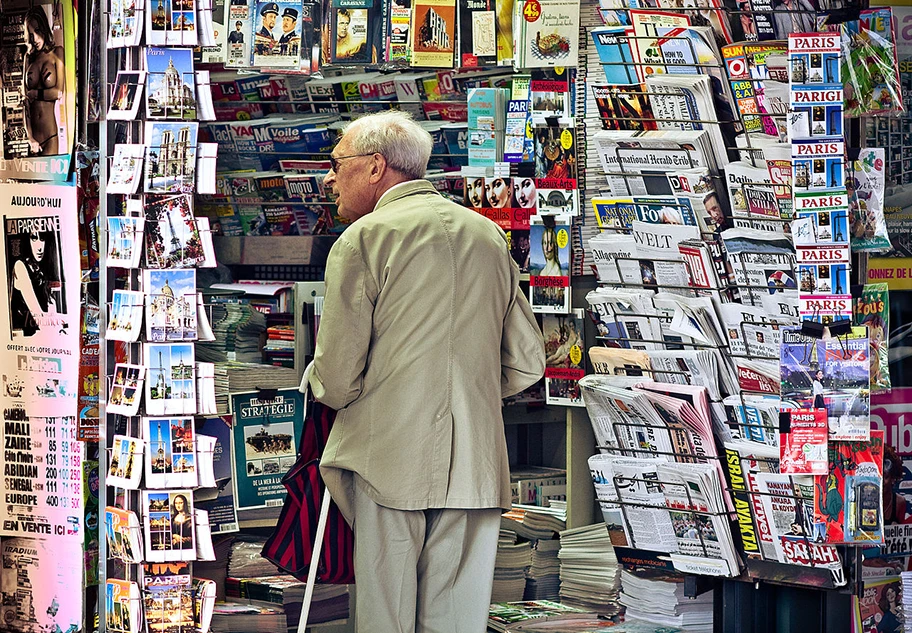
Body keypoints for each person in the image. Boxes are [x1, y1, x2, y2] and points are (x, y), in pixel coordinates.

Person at [310, 110, 545, 632]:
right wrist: (468, 393)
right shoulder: (486, 236)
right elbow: (527, 360)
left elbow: (337, 377)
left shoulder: (363, 240)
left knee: (385, 617)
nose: (330, 178)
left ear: (375, 167)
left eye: (336, 163)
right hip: (474, 465)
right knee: (456, 619)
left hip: (387, 459)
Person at [23, 7, 65, 156]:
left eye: (38, 32)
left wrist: (35, 93)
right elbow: (25, 101)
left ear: (45, 29)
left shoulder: (57, 53)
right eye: (31, 34)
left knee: (52, 180)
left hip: (50, 136)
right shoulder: (29, 58)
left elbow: (58, 92)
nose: (35, 39)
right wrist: (29, 137)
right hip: (33, 140)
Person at [10, 229, 59, 337]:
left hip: (39, 333)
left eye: (42, 239)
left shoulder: (43, 268)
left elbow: (51, 307)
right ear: (27, 241)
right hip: (25, 336)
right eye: (34, 238)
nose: (39, 246)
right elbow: (36, 313)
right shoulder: (20, 266)